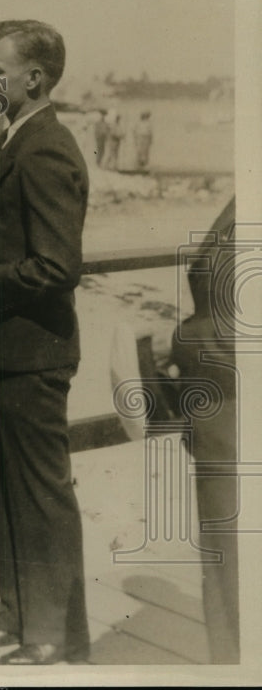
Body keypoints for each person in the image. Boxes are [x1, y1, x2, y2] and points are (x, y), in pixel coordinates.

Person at [0, 20, 90, 666]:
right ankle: (20, 614)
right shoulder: (21, 136)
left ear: (33, 78)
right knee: (12, 489)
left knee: (42, 494)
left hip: (34, 350)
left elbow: (57, 265)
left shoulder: (45, 147)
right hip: (10, 347)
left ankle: (52, 633)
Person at [168, 196, 238, 663]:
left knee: (229, 561)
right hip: (221, 411)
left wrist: (180, 340)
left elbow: (229, 333)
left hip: (229, 413)